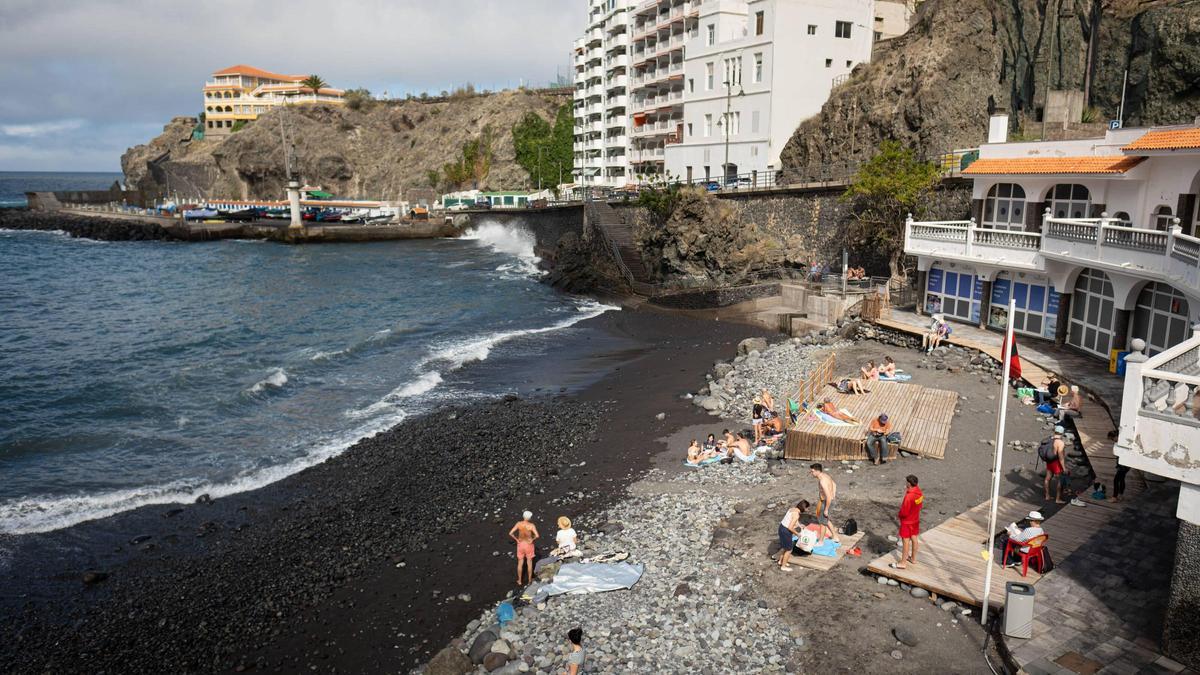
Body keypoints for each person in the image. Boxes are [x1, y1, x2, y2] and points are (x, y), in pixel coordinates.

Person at [892, 475, 924, 569]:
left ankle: (903, 563)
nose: (905, 484)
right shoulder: (919, 493)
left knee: (905, 541)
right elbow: (920, 505)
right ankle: (913, 559)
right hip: (915, 519)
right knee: (914, 538)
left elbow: (904, 512)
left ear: (909, 484)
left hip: (907, 522)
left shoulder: (909, 496)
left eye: (906, 482)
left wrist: (899, 515)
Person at [810, 463, 840, 544]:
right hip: (826, 501)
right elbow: (834, 484)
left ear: (817, 471)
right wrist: (833, 493)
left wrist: (826, 509)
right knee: (826, 520)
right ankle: (835, 536)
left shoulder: (822, 481)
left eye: (812, 471)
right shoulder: (825, 475)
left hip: (826, 502)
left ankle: (820, 542)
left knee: (822, 523)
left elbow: (828, 497)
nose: (811, 473)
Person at [509, 511, 540, 585]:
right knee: (529, 562)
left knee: (520, 562)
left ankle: (519, 580)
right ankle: (529, 580)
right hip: (528, 544)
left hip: (521, 544)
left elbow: (510, 533)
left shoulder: (519, 524)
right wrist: (532, 539)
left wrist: (516, 540)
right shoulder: (531, 525)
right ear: (529, 518)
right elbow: (537, 535)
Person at [777, 499, 809, 572]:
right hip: (786, 531)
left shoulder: (792, 509)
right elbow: (790, 527)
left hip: (781, 527)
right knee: (789, 549)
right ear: (804, 508)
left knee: (785, 547)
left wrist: (799, 525)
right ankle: (783, 566)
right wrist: (797, 534)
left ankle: (781, 561)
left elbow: (792, 520)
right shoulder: (797, 515)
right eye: (807, 508)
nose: (807, 510)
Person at [1044, 426, 1068, 504]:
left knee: (1047, 479)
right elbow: (1061, 457)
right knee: (1060, 480)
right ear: (1062, 433)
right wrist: (1064, 468)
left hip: (1049, 461)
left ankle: (1047, 495)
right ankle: (1058, 499)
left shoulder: (1050, 439)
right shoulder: (1060, 442)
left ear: (1055, 431)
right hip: (1056, 463)